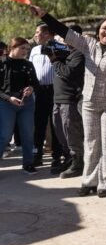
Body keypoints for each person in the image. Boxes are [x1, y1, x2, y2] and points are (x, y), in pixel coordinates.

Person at [31, 6, 106, 197]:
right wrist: (44, 15)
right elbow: (63, 31)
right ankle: (89, 181)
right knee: (91, 143)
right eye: (104, 28)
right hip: (90, 102)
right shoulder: (88, 45)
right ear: (99, 30)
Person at [50, 25, 86, 178]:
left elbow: (68, 73)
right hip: (58, 99)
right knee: (60, 132)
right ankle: (70, 159)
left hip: (70, 100)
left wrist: (54, 60)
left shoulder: (79, 54)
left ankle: (78, 163)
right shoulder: (65, 53)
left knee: (72, 133)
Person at [0, 37, 39, 174]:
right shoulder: (2, 64)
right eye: (22, 48)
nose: (25, 52)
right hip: (6, 102)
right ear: (12, 48)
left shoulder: (28, 65)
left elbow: (35, 82)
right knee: (5, 135)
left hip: (26, 103)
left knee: (28, 134)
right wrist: (8, 98)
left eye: (27, 49)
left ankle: (28, 163)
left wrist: (31, 89)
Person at [30, 23, 61, 168]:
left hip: (55, 89)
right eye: (36, 32)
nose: (36, 35)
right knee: (39, 123)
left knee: (55, 123)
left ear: (47, 34)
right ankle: (37, 154)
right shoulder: (34, 50)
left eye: (39, 32)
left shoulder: (58, 46)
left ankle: (57, 156)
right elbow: (31, 69)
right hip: (39, 90)